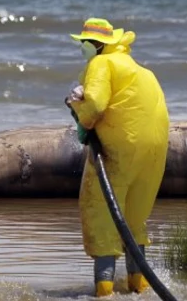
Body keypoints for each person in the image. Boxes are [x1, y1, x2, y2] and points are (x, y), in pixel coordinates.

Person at [65, 18, 170, 297]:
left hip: (120, 149)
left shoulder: (102, 64)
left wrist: (77, 108)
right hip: (154, 150)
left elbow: (96, 104)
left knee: (102, 212)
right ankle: (140, 288)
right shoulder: (141, 71)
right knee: (134, 219)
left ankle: (105, 290)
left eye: (83, 44)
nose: (81, 49)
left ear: (94, 45)